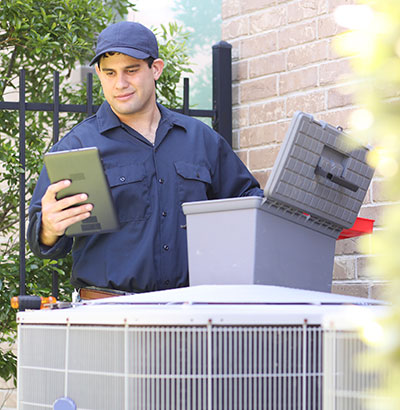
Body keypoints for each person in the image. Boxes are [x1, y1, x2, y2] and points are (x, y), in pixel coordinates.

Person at [27, 21, 264, 299]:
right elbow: (40, 238)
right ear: (100, 75)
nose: (120, 84)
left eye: (131, 70)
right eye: (110, 73)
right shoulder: (76, 147)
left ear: (155, 69)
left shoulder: (200, 139)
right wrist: (48, 228)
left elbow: (250, 202)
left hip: (188, 310)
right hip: (108, 316)